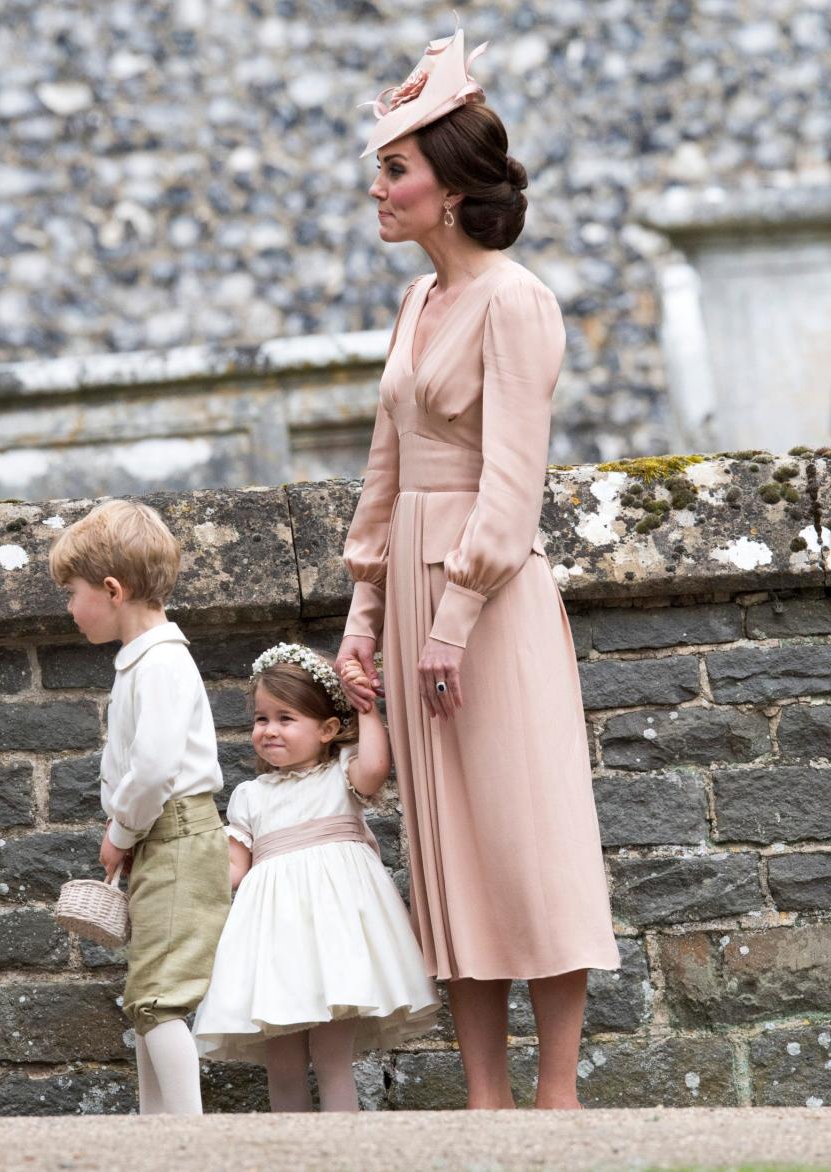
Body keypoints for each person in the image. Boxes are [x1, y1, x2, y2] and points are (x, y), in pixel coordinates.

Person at [335, 21, 621, 1110]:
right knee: (447, 840)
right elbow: (383, 473)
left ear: (448, 189)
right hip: (413, 590)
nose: (379, 190)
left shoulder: (516, 299)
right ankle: (485, 1100)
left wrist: (448, 622)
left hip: (485, 604)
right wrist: (366, 615)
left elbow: (512, 486)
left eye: (394, 169)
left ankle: (557, 1096)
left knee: (524, 825)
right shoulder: (417, 303)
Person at [192, 643, 439, 1112]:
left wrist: (367, 707)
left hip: (335, 942)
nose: (269, 730)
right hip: (276, 944)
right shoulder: (249, 795)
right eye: (261, 719)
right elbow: (233, 870)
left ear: (327, 729)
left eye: (286, 718)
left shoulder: (342, 776)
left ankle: (340, 1156)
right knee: (282, 1065)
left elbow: (376, 767)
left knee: (331, 1059)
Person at [48, 499, 230, 1115]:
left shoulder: (161, 662)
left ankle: (185, 1140)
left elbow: (153, 768)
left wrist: (121, 831)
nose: (69, 609)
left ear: (112, 589)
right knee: (146, 996)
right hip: (163, 839)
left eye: (71, 593)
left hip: (174, 837)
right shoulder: (143, 662)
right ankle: (157, 1138)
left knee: (159, 997)